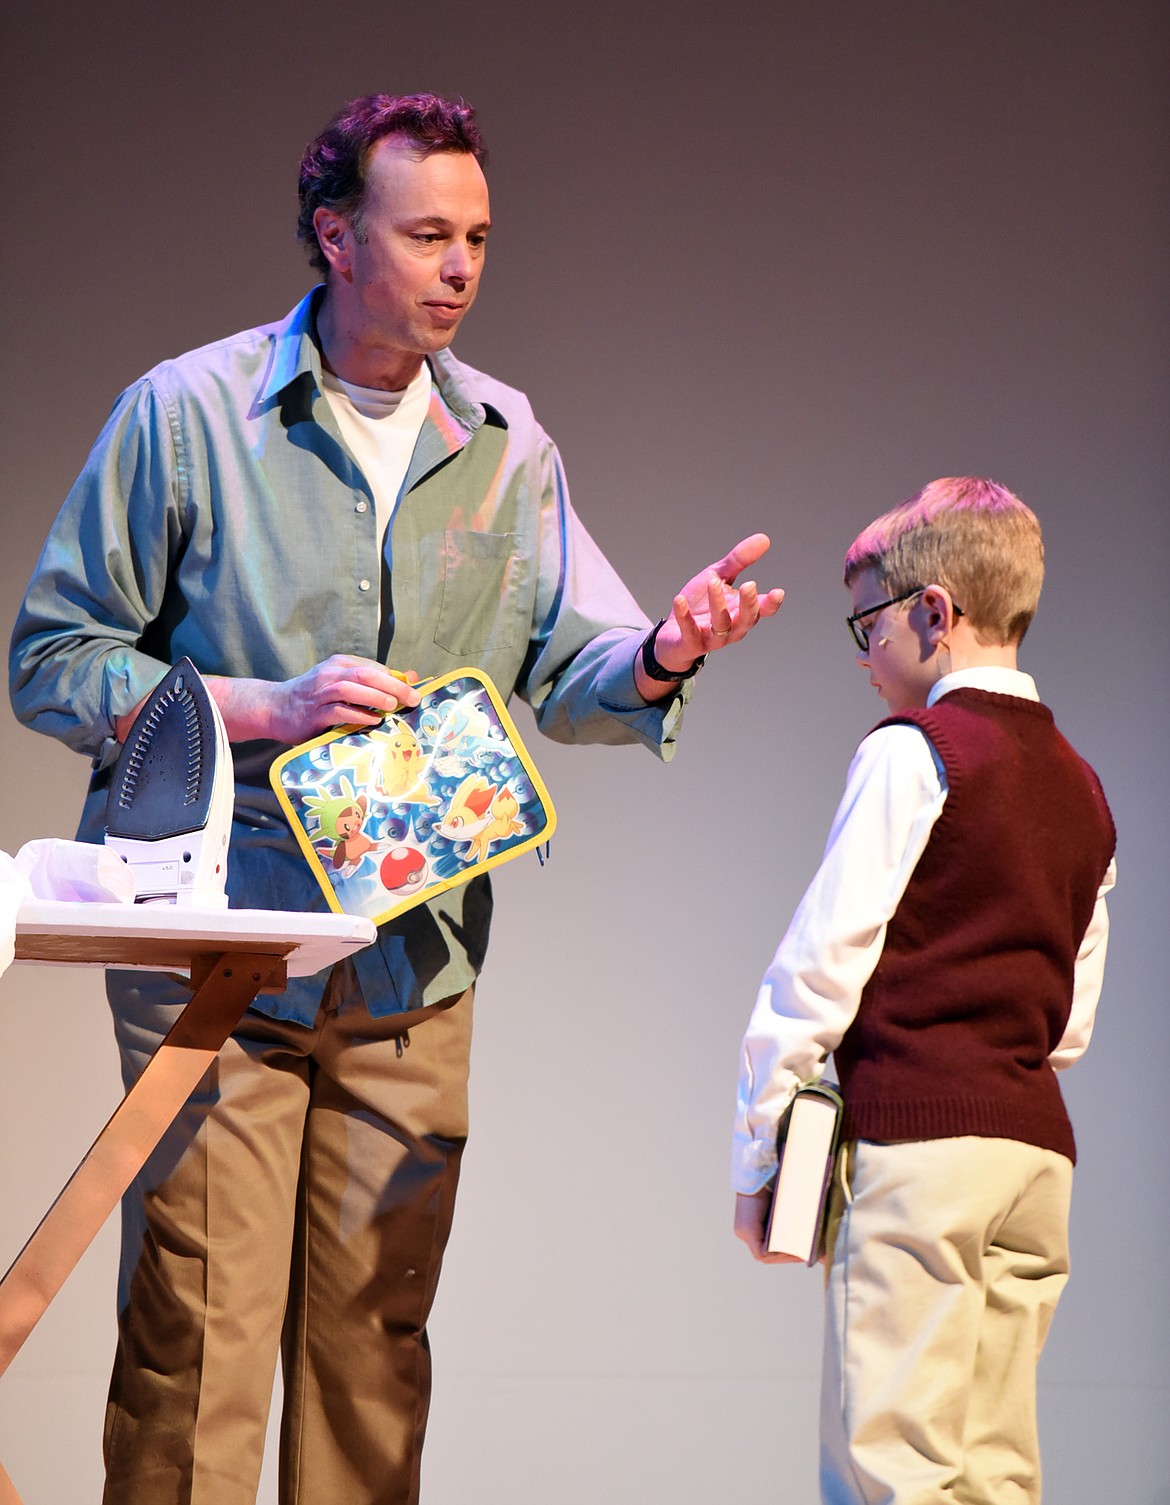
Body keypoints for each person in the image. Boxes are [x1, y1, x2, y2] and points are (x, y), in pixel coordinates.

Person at [9, 93, 783, 1505]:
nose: (459, 265)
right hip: (219, 949)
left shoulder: (506, 441)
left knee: (375, 1349)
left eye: (477, 237)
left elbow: (570, 667)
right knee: (201, 1337)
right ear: (334, 238)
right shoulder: (186, 418)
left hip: (415, 951)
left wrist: (665, 652)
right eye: (427, 233)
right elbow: (55, 661)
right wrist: (262, 709)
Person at [730, 478, 1116, 1504]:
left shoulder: (917, 753)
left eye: (868, 625)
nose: (864, 658)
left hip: (918, 1148)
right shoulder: (1081, 784)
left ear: (932, 614)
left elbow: (822, 961)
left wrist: (763, 1144)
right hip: (1033, 1154)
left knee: (892, 1464)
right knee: (995, 1468)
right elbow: (1070, 1014)